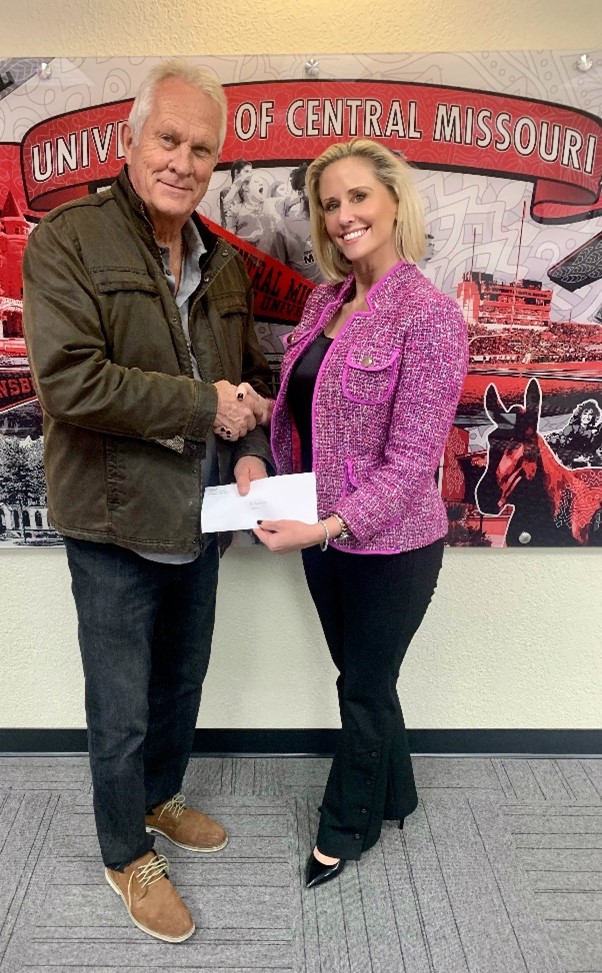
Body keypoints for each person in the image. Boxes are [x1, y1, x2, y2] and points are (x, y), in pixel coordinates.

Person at [22, 60, 272, 943]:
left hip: (201, 517)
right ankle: (124, 850)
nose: (183, 161)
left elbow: (251, 376)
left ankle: (160, 798)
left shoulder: (224, 263)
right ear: (130, 141)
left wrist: (250, 449)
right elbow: (70, 382)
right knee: (121, 703)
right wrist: (206, 406)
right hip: (113, 522)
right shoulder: (67, 240)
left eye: (202, 149)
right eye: (168, 139)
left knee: (181, 681)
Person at [250, 138, 467, 889]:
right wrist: (258, 418)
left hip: (392, 547)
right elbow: (313, 411)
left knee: (363, 688)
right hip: (321, 538)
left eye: (358, 197)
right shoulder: (324, 303)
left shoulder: (430, 317)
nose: (343, 215)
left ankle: (345, 828)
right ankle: (397, 793)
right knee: (363, 675)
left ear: (394, 201)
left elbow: (412, 463)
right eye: (330, 204)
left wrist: (327, 525)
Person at [261, 161, 323, 284]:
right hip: (304, 294)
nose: (318, 190)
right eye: (312, 185)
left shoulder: (334, 221)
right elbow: (276, 275)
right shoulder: (285, 228)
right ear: (300, 193)